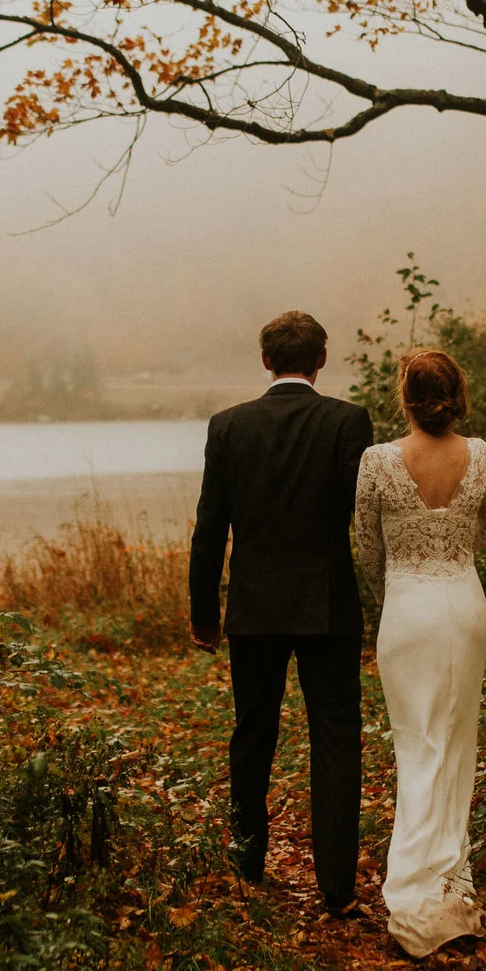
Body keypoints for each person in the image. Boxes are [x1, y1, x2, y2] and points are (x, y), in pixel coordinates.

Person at [189, 311, 376, 915]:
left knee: (253, 733)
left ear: (265, 360)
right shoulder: (348, 421)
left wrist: (204, 613)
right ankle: (338, 887)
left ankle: (248, 868)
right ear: (321, 359)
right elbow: (361, 514)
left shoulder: (228, 426)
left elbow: (210, 527)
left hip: (254, 602)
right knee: (337, 737)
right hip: (328, 602)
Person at [353, 348, 486, 958]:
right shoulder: (482, 454)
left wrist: (396, 589)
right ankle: (451, 875)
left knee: (417, 744)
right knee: (457, 742)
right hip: (465, 606)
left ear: (405, 398)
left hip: (408, 612)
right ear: (456, 394)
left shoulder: (378, 460)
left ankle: (416, 884)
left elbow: (365, 547)